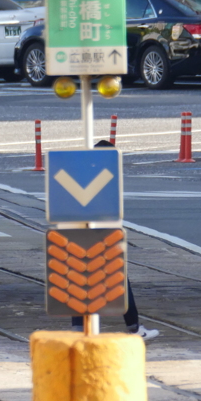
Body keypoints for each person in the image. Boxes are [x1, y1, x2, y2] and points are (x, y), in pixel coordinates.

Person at [70, 140, 159, 342]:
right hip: (102, 237)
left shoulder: (82, 175)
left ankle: (78, 329)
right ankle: (134, 329)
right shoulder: (105, 178)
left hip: (80, 236)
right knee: (119, 281)